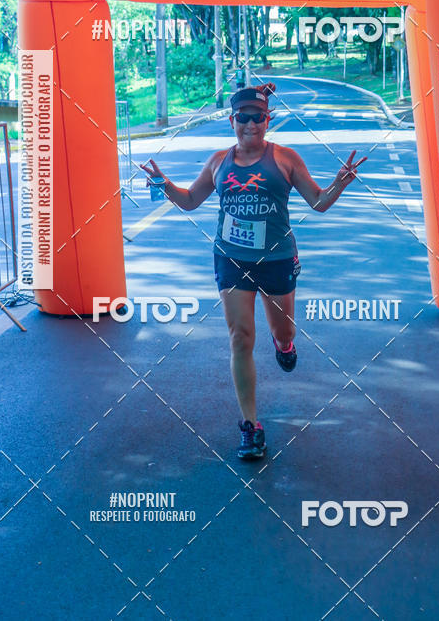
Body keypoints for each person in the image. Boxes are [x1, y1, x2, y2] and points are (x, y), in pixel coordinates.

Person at [141, 83, 367, 461]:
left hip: (277, 261)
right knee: (240, 338)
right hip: (232, 260)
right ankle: (250, 426)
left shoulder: (285, 159)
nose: (250, 124)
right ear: (232, 121)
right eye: (242, 118)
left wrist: (339, 184)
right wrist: (165, 186)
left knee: (283, 330)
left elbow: (319, 202)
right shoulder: (218, 162)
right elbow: (191, 201)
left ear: (268, 120)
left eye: (257, 117)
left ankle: (284, 346)